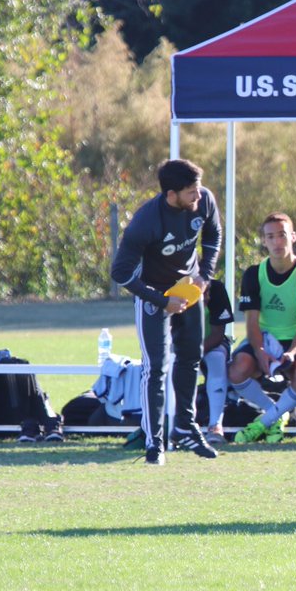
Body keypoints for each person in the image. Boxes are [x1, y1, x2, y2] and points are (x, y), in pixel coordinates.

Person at [110, 158, 222, 465]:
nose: (198, 198)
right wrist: (161, 301)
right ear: (171, 194)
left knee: (190, 358)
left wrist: (205, 275)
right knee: (155, 367)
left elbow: (213, 236)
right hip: (154, 295)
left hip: (189, 291)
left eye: (198, 191)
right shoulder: (147, 221)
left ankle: (185, 427)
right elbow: (119, 273)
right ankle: (154, 441)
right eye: (191, 193)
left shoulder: (205, 200)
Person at [230, 213, 296, 445]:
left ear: (293, 236)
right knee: (236, 370)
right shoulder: (253, 273)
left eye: (282, 235)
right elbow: (251, 322)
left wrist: (291, 353)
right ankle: (276, 414)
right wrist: (260, 351)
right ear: (264, 241)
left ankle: (265, 421)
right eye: (270, 236)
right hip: (264, 338)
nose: (277, 242)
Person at [201, 277, 235, 445]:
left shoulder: (216, 288)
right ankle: (168, 423)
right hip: (182, 344)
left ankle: (215, 425)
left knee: (216, 358)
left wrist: (197, 350)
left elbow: (217, 334)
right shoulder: (171, 286)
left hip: (211, 343)